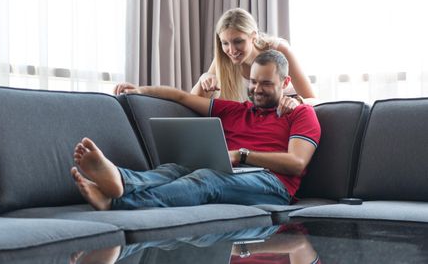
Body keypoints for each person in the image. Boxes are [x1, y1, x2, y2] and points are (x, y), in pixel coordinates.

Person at [72, 50, 320, 211]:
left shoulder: (300, 113)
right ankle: (121, 179)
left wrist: (241, 155)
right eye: (253, 82)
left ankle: (117, 202)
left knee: (207, 179)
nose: (257, 89)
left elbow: (296, 163)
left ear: (285, 83)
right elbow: (181, 96)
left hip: (273, 184)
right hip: (231, 171)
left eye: (266, 83)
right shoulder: (236, 110)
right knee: (174, 169)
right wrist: (140, 90)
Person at [191, 8, 317, 115]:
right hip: (260, 120)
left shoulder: (280, 50)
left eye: (238, 41)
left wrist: (297, 101)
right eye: (225, 43)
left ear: (253, 36)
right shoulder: (225, 58)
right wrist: (204, 78)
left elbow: (314, 100)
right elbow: (192, 103)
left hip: (287, 114)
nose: (232, 50)